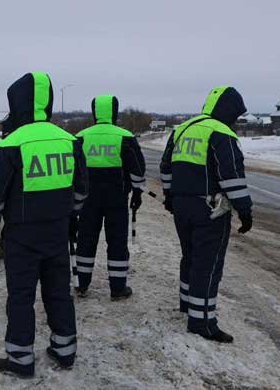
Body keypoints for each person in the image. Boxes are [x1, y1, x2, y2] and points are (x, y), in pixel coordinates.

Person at [0, 71, 88, 378]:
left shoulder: (12, 144)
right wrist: (71, 217)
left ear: (18, 102)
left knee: (21, 296)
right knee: (59, 293)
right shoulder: (69, 141)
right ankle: (65, 351)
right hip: (57, 232)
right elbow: (82, 190)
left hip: (21, 236)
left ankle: (20, 359)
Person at [159, 85, 253, 344]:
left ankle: (188, 304)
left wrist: (170, 197)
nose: (235, 121)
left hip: (182, 206)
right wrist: (245, 211)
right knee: (208, 264)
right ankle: (202, 322)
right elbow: (232, 177)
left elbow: (166, 168)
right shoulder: (222, 133)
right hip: (210, 209)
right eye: (235, 115)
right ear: (229, 111)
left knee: (190, 257)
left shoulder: (182, 129)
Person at [73, 95, 146, 299]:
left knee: (86, 239)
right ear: (114, 112)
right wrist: (137, 193)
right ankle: (117, 288)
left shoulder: (81, 136)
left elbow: (75, 170)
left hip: (88, 199)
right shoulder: (125, 136)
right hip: (117, 198)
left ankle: (81, 284)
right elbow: (137, 168)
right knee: (117, 241)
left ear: (94, 112)